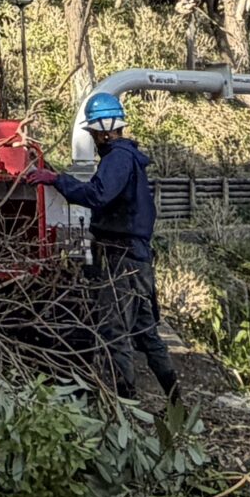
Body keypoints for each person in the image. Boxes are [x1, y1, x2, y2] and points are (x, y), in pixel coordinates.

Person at [35, 92, 180, 401]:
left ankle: (125, 403)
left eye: (94, 133)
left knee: (114, 333)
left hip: (122, 260)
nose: (94, 138)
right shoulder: (127, 159)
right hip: (136, 258)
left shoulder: (118, 159)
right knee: (145, 332)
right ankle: (176, 400)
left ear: (104, 130)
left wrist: (55, 179)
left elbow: (98, 195)